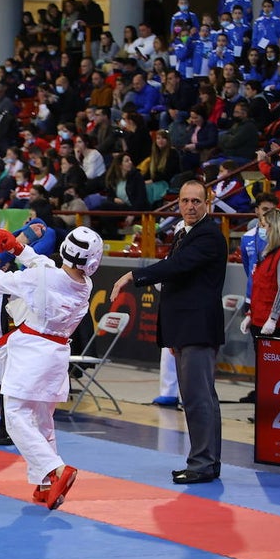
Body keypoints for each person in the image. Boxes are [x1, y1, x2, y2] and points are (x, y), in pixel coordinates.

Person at [0, 225, 102, 508]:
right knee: (43, 421)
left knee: (16, 418)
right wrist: (17, 248)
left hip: (32, 353)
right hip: (56, 355)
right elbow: (45, 267)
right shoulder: (84, 284)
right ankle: (45, 484)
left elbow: (2, 282)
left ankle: (56, 469)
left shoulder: (41, 278)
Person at [111, 180, 228, 484]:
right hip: (187, 328)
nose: (190, 206)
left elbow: (177, 266)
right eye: (185, 201)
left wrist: (134, 275)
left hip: (197, 328)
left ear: (208, 204)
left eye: (196, 201)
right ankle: (208, 461)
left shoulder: (208, 236)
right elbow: (175, 267)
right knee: (202, 398)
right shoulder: (186, 233)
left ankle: (202, 462)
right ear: (178, 203)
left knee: (197, 398)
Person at [240, 208, 280, 339]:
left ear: (275, 227)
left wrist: (273, 318)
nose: (262, 230)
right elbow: (259, 288)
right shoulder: (266, 254)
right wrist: (250, 314)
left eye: (264, 226)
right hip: (258, 319)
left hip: (275, 324)